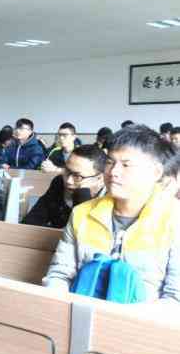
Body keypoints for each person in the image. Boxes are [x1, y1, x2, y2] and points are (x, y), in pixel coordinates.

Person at [43, 126, 180, 303]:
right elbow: (59, 275)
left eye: (126, 165)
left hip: (143, 319)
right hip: (79, 313)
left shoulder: (174, 218)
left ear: (155, 173)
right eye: (110, 162)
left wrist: (118, 319)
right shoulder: (82, 213)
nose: (114, 172)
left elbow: (175, 298)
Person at [23, 145, 107, 229]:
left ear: (100, 178)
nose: (68, 181)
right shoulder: (59, 182)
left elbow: (81, 233)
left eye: (77, 176)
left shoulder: (108, 200)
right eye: (67, 171)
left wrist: (82, 195)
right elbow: (31, 222)